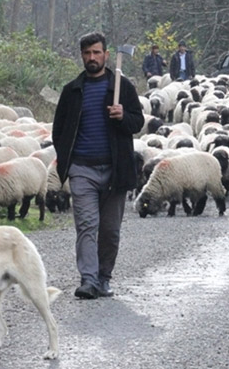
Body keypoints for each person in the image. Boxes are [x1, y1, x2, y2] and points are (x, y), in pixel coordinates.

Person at [52, 32, 144, 299]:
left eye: (96, 52)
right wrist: (67, 162)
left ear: (105, 54)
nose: (92, 58)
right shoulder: (72, 91)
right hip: (83, 169)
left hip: (115, 169)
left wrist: (123, 115)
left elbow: (137, 123)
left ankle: (104, 277)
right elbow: (59, 130)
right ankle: (88, 280)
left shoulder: (121, 87)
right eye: (87, 53)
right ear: (81, 55)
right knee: (87, 226)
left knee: (110, 230)